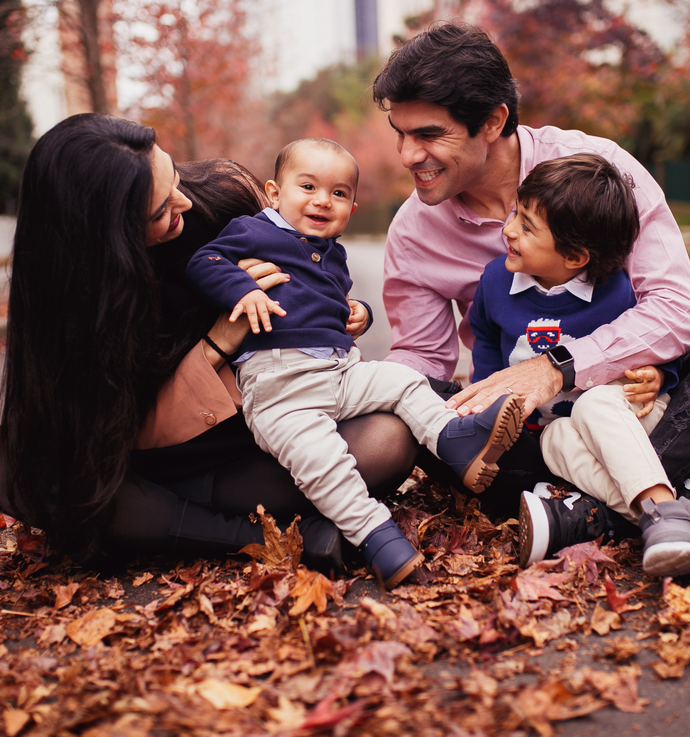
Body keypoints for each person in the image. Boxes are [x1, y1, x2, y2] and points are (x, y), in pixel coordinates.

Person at [372, 21, 690, 542]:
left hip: (636, 401)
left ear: (492, 121)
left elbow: (677, 308)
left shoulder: (603, 172)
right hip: (530, 433)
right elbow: (422, 359)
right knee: (413, 407)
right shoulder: (413, 231)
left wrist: (560, 367)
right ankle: (677, 500)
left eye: (428, 135)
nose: (407, 156)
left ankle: (588, 515)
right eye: (401, 133)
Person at [0, 114, 421, 569]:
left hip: (249, 449)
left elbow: (312, 264)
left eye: (174, 179)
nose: (182, 203)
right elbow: (97, 436)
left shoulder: (222, 197)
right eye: (159, 209)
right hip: (134, 464)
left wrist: (339, 314)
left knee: (388, 440)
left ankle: (156, 526)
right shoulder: (68, 299)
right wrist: (219, 340)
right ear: (107, 234)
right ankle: (249, 538)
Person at [185, 138, 525, 588]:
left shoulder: (333, 253)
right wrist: (241, 291)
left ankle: (454, 440)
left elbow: (328, 303)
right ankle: (374, 535)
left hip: (340, 372)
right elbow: (203, 261)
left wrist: (356, 311)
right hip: (279, 386)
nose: (323, 200)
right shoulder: (254, 231)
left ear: (352, 206)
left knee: (402, 380)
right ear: (273, 192)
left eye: (339, 193)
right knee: (323, 462)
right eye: (307, 186)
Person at [469, 153, 690, 576]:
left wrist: (660, 376)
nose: (508, 230)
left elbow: (651, 346)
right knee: (554, 440)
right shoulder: (495, 281)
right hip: (560, 430)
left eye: (527, 226)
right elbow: (486, 340)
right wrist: (489, 398)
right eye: (516, 213)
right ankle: (686, 517)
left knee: (593, 403)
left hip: (627, 418)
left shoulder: (615, 293)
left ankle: (668, 516)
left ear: (576, 256)